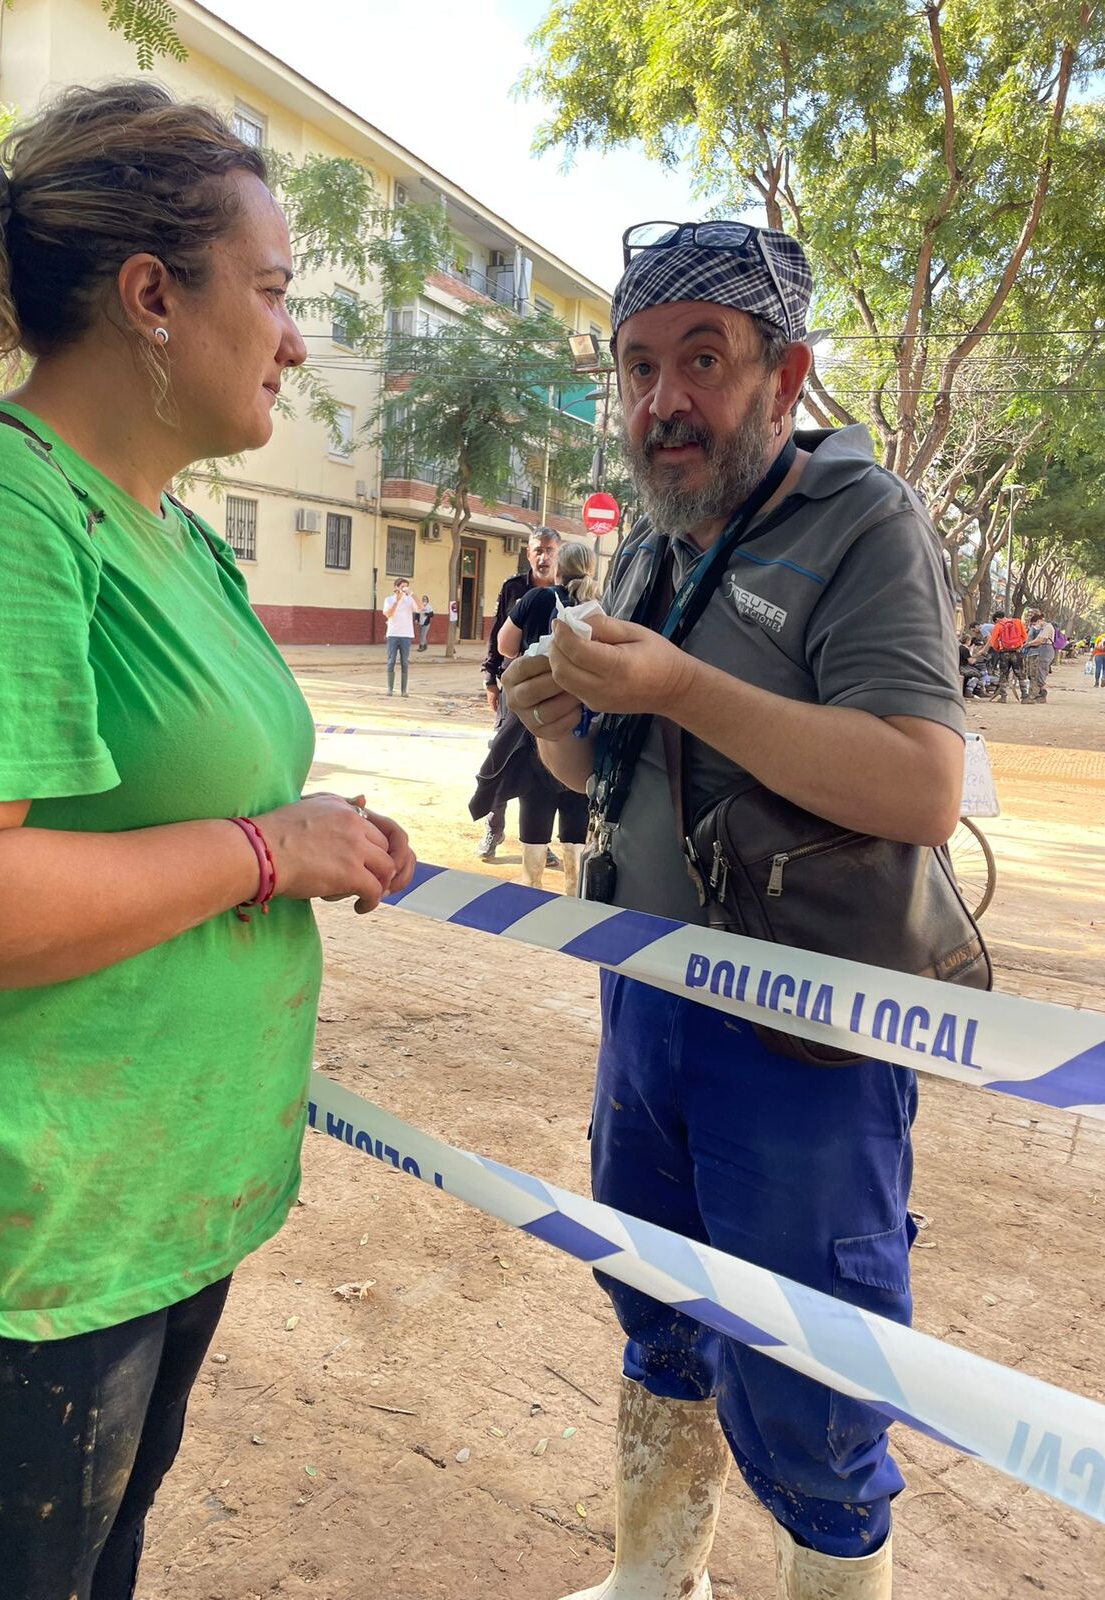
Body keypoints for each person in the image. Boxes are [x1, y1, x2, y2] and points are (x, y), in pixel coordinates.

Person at [0, 82, 416, 1599]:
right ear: (150, 298)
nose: (295, 337)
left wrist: (312, 832)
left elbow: (175, 792)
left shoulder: (178, 531)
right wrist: (273, 853)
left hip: (154, 1215)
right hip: (14, 1256)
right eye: (271, 292)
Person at [505, 220, 964, 1600]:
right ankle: (660, 1581)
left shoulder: (864, 525)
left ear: (788, 372)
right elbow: (616, 772)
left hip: (803, 1031)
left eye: (702, 361)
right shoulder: (652, 544)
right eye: (639, 368)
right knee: (656, 1306)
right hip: (645, 1000)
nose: (663, 403)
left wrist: (685, 691)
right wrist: (557, 728)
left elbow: (922, 786)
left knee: (812, 1372)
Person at [483, 540, 601, 891]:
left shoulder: (535, 599)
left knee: (534, 796)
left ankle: (531, 890)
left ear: (559, 570)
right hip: (582, 722)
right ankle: (573, 892)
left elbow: (505, 645)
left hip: (538, 719)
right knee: (577, 799)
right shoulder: (600, 608)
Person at [474, 525, 561, 861]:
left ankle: (538, 841)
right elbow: (497, 633)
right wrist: (489, 679)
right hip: (513, 691)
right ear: (528, 553)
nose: (543, 556)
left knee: (543, 767)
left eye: (550, 550)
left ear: (558, 552)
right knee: (502, 756)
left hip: (551, 695)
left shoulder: (566, 590)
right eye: (538, 550)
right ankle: (493, 831)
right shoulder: (513, 588)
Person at [383, 576, 419, 696]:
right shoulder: (388, 600)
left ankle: (404, 690)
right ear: (396, 588)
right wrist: (397, 601)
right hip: (393, 634)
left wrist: (412, 594)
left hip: (406, 635)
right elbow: (388, 614)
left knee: (404, 662)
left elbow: (420, 607)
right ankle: (390, 689)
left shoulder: (409, 600)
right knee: (391, 661)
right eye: (402, 586)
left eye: (406, 587)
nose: (404, 589)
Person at [985, 609, 1028, 701]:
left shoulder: (998, 626)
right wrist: (1018, 644)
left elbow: (994, 641)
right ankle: (1024, 696)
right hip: (1017, 651)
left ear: (997, 619)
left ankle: (1003, 696)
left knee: (1003, 674)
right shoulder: (1017, 622)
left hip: (1004, 653)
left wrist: (998, 649)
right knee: (1020, 674)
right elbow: (1024, 636)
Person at [1021, 608, 1056, 704]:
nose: (1033, 626)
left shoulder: (1047, 627)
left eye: (1034, 624)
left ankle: (1033, 695)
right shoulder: (1040, 628)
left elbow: (1039, 641)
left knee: (1038, 674)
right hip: (1040, 651)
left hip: (1045, 650)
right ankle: (1041, 694)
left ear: (1039, 621)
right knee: (1036, 673)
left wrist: (1027, 644)